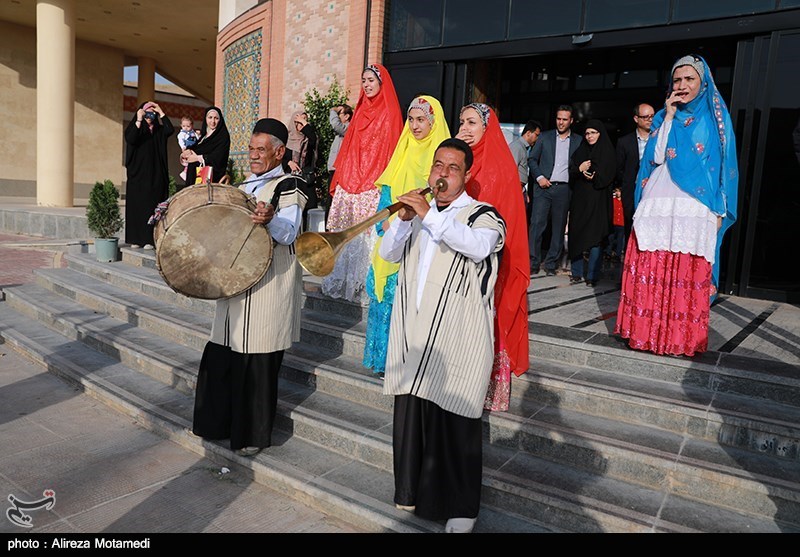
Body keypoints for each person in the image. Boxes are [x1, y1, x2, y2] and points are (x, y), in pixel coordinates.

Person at [380, 138, 506, 534]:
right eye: (438, 165)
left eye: (453, 167)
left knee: (455, 426)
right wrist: (402, 221)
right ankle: (415, 493)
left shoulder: (484, 215)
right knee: (415, 420)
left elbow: (477, 246)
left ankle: (462, 508)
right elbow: (386, 253)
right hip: (416, 334)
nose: (443, 173)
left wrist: (428, 216)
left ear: (466, 175)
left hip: (456, 339)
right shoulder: (416, 214)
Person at [190, 118, 308, 457]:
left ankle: (250, 435)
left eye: (261, 150)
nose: (254, 155)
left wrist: (271, 219)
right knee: (223, 350)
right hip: (235, 284)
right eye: (252, 149)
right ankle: (217, 424)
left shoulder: (290, 185)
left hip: (268, 286)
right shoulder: (246, 184)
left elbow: (289, 232)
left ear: (279, 151)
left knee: (256, 356)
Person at [615, 55, 738, 357]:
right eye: (677, 80)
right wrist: (668, 116)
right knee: (652, 267)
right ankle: (645, 334)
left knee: (685, 273)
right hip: (659, 202)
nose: (682, 86)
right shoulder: (661, 117)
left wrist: (720, 209)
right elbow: (655, 157)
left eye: (689, 79)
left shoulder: (715, 118)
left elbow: (723, 167)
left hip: (695, 207)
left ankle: (678, 339)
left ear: (703, 83)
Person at [363, 95, 451, 378]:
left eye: (421, 119)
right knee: (384, 300)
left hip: (422, 245)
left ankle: (405, 363)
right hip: (392, 239)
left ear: (434, 122)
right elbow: (385, 198)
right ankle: (381, 361)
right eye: (411, 119)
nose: (414, 126)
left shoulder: (442, 163)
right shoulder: (402, 152)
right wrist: (386, 224)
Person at [456, 102, 530, 411]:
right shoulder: (461, 161)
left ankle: (488, 389)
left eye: (472, 122)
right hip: (456, 258)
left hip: (490, 263)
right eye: (462, 122)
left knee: (488, 321)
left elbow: (502, 223)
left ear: (487, 127)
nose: (465, 128)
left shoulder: (499, 167)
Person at [321, 64, 403, 302]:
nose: (366, 85)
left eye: (371, 80)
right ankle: (342, 280)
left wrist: (382, 183)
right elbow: (349, 148)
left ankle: (360, 284)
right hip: (351, 177)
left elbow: (391, 151)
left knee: (365, 233)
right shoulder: (359, 111)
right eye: (363, 80)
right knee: (345, 229)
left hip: (373, 181)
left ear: (381, 83)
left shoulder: (390, 112)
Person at [528, 105, 582, 276]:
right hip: (543, 187)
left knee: (558, 228)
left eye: (565, 119)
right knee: (537, 225)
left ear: (571, 121)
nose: (561, 122)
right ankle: (533, 261)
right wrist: (539, 177)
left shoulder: (578, 141)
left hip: (564, 189)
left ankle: (551, 263)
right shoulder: (544, 137)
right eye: (558, 118)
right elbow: (532, 159)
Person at [567, 119, 615, 286]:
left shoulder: (608, 152)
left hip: (599, 200)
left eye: (593, 132)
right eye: (587, 133)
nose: (589, 136)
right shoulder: (580, 151)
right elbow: (571, 172)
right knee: (577, 233)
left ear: (600, 134)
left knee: (596, 237)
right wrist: (579, 170)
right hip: (580, 200)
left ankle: (592, 275)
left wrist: (596, 176)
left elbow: (611, 173)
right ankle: (577, 272)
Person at [124, 101, 173, 250]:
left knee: (152, 206)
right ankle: (136, 239)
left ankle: (150, 240)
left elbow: (170, 130)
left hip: (156, 176)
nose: (150, 115)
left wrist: (161, 111)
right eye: (147, 111)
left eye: (153, 112)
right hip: (138, 176)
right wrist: (139, 119)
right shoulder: (136, 127)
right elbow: (131, 139)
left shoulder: (159, 130)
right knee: (137, 207)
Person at [614, 103, 655, 250]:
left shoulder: (659, 139)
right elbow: (619, 168)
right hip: (631, 192)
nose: (650, 120)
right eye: (645, 117)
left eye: (652, 116)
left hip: (654, 193)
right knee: (631, 229)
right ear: (636, 119)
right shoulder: (624, 142)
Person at [180, 106, 231, 188]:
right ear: (206, 119)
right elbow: (198, 149)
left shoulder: (222, 136)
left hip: (209, 180)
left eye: (216, 118)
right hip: (194, 178)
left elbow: (219, 157)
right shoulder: (203, 135)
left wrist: (198, 158)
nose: (213, 121)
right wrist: (188, 151)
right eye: (210, 117)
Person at [285, 110, 319, 213]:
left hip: (305, 180)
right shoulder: (286, 139)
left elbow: (313, 137)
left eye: (304, 121)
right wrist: (288, 163)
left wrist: (304, 123)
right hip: (289, 181)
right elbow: (278, 158)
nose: (302, 125)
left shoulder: (308, 140)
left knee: (308, 209)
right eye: (299, 122)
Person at [509, 119, 542, 223]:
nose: (537, 139)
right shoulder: (517, 147)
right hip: (515, 190)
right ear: (528, 133)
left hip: (520, 189)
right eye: (536, 135)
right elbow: (511, 171)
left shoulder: (522, 147)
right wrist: (517, 192)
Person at [327, 104, 353, 174]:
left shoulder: (349, 128)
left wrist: (333, 110)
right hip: (335, 169)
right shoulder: (340, 132)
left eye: (338, 113)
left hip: (341, 170)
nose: (336, 116)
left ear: (346, 116)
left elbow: (335, 124)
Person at [177, 116, 200, 183]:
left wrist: (198, 135)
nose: (186, 128)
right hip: (188, 148)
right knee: (189, 161)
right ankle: (185, 172)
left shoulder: (193, 133)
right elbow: (180, 140)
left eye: (188, 126)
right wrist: (183, 147)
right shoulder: (182, 134)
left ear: (192, 125)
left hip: (195, 148)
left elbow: (198, 139)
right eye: (184, 126)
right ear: (181, 125)